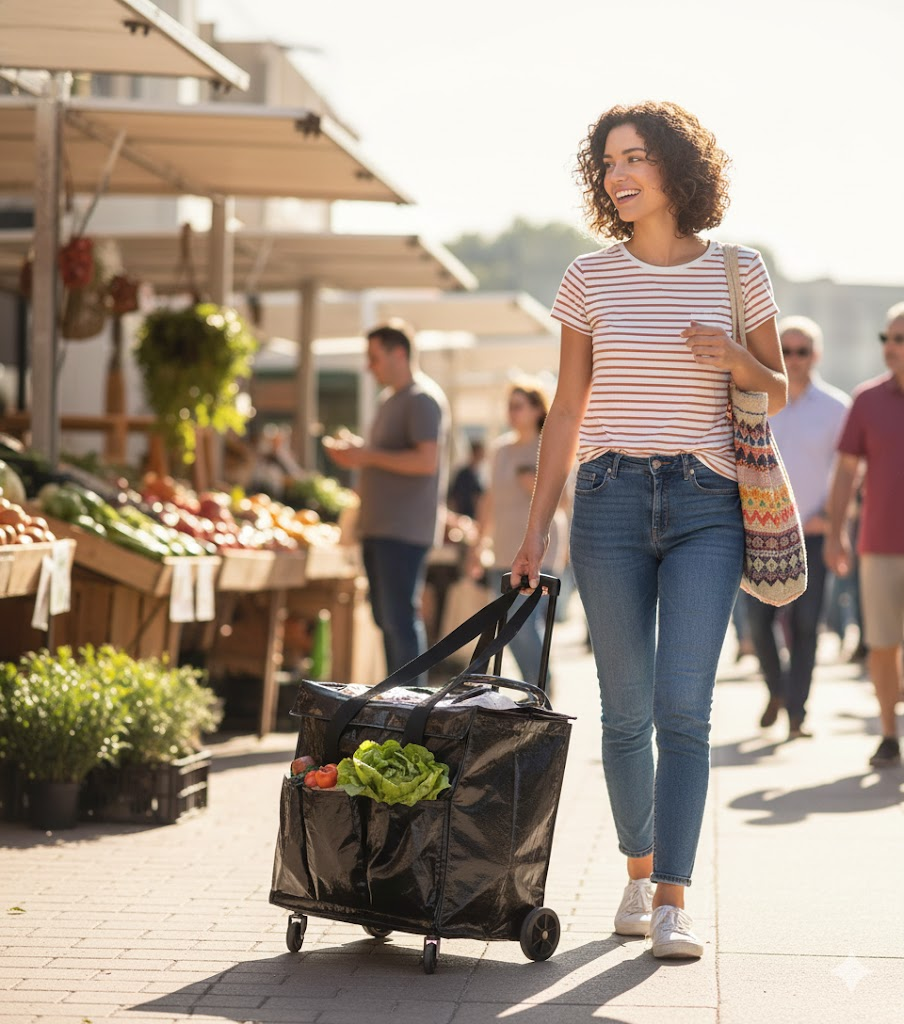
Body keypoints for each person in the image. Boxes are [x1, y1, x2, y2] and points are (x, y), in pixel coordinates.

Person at [510, 101, 786, 959]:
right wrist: (534, 531)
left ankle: (673, 898)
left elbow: (775, 387)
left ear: (676, 167)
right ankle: (636, 874)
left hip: (708, 502)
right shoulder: (588, 279)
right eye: (606, 163)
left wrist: (736, 359)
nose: (617, 175)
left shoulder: (739, 271)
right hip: (609, 499)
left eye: (633, 158)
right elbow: (566, 410)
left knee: (683, 710)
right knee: (623, 711)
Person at [324, 321, 449, 675]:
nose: (369, 366)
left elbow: (427, 461)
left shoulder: (422, 399)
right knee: (386, 619)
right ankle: (400, 702)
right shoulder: (390, 399)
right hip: (380, 527)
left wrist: (366, 455)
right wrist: (361, 455)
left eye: (374, 357)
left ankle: (413, 708)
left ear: (399, 353)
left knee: (399, 620)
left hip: (404, 529)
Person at [748, 317, 850, 738]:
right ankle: (779, 690)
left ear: (816, 355)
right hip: (758, 534)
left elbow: (849, 470)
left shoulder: (837, 407)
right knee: (758, 624)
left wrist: (833, 515)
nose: (793, 358)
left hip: (814, 531)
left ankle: (797, 712)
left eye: (802, 351)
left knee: (808, 626)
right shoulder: (755, 399)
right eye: (785, 350)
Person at [826, 302, 904, 768]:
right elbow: (846, 473)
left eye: (900, 339)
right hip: (879, 543)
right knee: (882, 643)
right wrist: (836, 533)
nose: (890, 348)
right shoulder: (867, 400)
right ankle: (889, 733)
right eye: (887, 339)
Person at [467, 380, 564, 685]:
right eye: (509, 406)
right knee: (507, 626)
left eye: (518, 405)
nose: (512, 412)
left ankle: (541, 686)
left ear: (537, 409)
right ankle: (533, 687)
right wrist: (477, 544)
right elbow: (488, 500)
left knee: (522, 626)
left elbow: (568, 500)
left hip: (539, 548)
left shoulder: (548, 445)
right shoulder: (500, 450)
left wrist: (534, 485)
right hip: (503, 549)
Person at [447, 439, 486, 520]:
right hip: (463, 517)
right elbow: (454, 497)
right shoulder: (463, 474)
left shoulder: (479, 474)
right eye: (481, 453)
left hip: (474, 517)